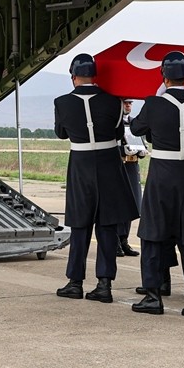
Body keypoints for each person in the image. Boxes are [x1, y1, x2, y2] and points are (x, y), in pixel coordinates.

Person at [127, 52, 184, 316]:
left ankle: (153, 295)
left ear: (164, 76)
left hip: (162, 176)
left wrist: (155, 102)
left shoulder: (154, 104)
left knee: (153, 234)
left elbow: (137, 128)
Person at [53, 54, 139, 303]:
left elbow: (61, 133)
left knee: (80, 225)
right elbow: (118, 132)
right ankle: (104, 284)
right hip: (109, 164)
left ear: (73, 76)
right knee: (107, 226)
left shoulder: (62, 102)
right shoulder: (114, 102)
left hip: (81, 165)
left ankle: (75, 282)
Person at [117, 98, 145, 258]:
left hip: (132, 165)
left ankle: (124, 240)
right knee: (119, 204)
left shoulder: (134, 123)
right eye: (125, 102)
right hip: (119, 165)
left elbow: (140, 139)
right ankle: (115, 241)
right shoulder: (114, 122)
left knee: (131, 204)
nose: (128, 105)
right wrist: (122, 150)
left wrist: (142, 150)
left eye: (130, 103)